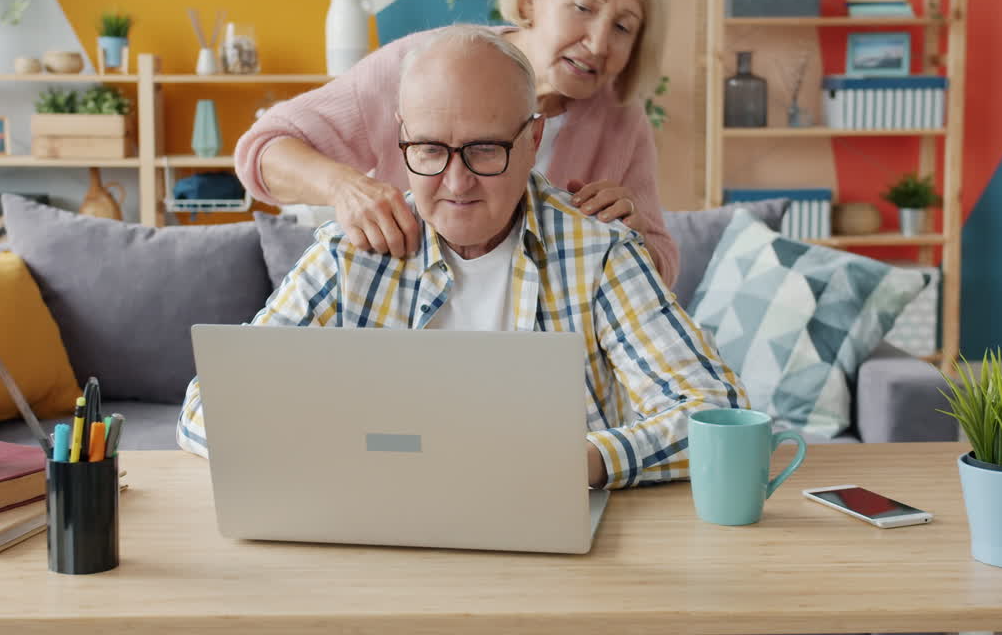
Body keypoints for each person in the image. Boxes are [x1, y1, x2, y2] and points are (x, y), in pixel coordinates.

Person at [181, 26, 745, 489]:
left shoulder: (600, 255)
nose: (456, 182)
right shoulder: (349, 256)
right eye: (429, 149)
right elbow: (209, 405)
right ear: (402, 138)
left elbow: (717, 414)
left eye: (483, 149)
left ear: (531, 140)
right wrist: (327, 454)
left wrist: (589, 460)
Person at [234, 0, 680, 286]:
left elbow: (663, 261)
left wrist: (633, 238)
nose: (599, 43)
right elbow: (263, 149)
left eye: (623, 27)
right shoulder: (421, 68)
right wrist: (345, 188)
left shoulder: (623, 121)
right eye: (583, 8)